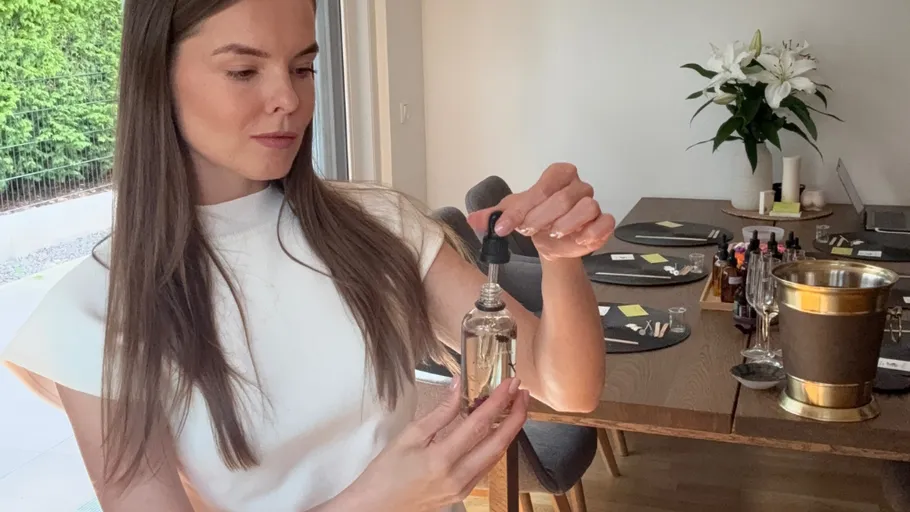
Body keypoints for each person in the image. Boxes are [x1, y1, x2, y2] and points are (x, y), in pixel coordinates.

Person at [0, 0, 614, 510]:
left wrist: (562, 259)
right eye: (244, 71)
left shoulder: (376, 224)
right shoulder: (98, 311)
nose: (288, 100)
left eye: (302, 68)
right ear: (155, 74)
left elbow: (568, 385)